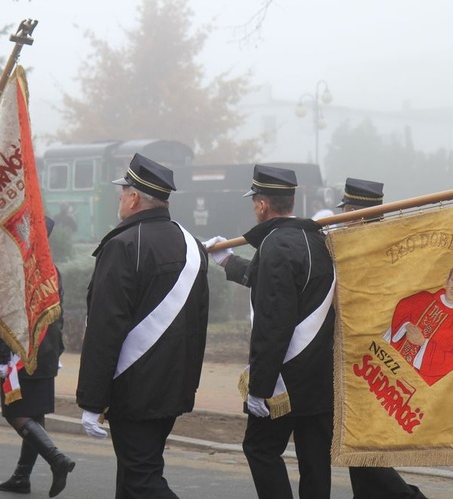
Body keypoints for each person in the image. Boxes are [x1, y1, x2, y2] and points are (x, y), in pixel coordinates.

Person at [76, 153, 209, 498]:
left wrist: (92, 400)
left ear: (134, 197)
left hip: (134, 389)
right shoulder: (191, 245)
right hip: (174, 385)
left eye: (122, 192)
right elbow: (198, 322)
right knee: (133, 477)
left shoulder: (123, 246)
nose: (119, 199)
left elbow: (105, 329)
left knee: (141, 479)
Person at [207, 165, 336, 499]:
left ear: (262, 205)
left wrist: (259, 387)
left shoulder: (274, 246)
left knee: (260, 449)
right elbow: (275, 284)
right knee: (315, 461)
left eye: (255, 202)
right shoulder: (317, 240)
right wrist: (228, 262)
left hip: (285, 383)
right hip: (321, 376)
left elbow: (272, 323)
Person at [338, 177, 427, 499]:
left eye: (345, 213)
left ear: (359, 216)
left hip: (371, 360)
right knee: (360, 447)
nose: (340, 220)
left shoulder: (370, 252)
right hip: (362, 361)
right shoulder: (374, 246)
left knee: (363, 448)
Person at [0, 217, 75, 497]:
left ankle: (56, 460)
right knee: (34, 414)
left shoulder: (14, 269)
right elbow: (57, 317)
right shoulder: (52, 270)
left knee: (17, 414)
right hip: (45, 354)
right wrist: (57, 351)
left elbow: (3, 318)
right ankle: (21, 477)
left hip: (18, 355)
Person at [383, 266, 453, 387]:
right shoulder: (423, 297)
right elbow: (403, 307)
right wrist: (406, 325)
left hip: (413, 379)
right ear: (447, 281)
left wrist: (424, 344)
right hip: (388, 356)